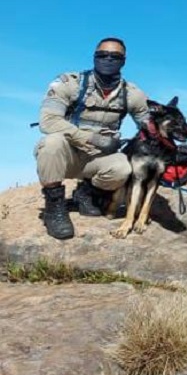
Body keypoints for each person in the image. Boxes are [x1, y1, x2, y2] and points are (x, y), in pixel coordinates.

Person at [34, 37, 153, 239]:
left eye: (115, 56)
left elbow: (150, 127)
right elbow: (48, 121)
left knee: (123, 167)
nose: (108, 59)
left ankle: (86, 193)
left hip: (98, 160)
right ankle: (54, 207)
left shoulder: (133, 94)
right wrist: (92, 139)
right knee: (51, 143)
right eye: (102, 55)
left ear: (123, 60)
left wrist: (172, 140)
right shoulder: (70, 83)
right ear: (94, 58)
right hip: (67, 155)